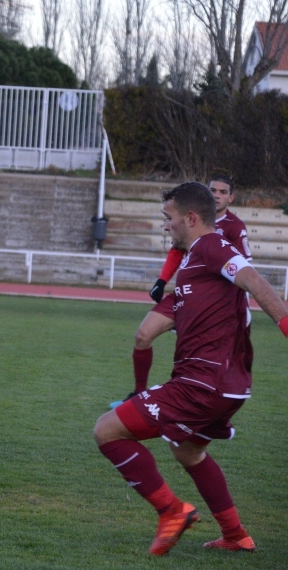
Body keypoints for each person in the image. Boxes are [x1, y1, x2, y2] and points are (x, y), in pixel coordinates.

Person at [94, 181, 288, 556]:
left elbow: (254, 281)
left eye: (169, 219)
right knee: (188, 452)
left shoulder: (212, 247)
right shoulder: (196, 260)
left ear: (191, 218)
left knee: (107, 430)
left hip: (203, 382)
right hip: (230, 385)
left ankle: (171, 511)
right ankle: (235, 534)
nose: (166, 226)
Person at [111, 175, 253, 408]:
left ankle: (191, 401)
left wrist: (239, 309)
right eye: (213, 190)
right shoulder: (185, 220)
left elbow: (246, 272)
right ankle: (138, 393)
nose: (217, 195)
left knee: (198, 355)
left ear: (231, 197)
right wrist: (161, 280)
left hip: (212, 304)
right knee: (142, 336)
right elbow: (176, 251)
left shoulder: (234, 228)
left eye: (223, 192)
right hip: (184, 294)